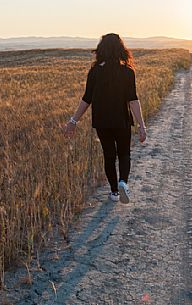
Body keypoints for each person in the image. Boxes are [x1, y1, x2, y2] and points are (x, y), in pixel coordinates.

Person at [63, 33, 147, 204]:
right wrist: (141, 125)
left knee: (109, 155)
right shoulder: (127, 72)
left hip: (101, 121)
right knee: (124, 153)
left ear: (101, 50)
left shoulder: (94, 72)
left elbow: (86, 99)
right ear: (121, 50)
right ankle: (123, 182)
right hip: (122, 120)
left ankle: (115, 193)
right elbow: (133, 100)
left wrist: (73, 121)